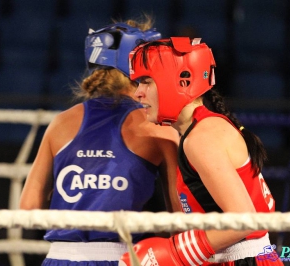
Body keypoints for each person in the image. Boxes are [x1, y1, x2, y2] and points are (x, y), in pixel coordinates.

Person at [19, 19, 181, 266]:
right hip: (121, 258)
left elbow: (28, 208)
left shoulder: (60, 123)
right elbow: (179, 222)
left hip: (58, 258)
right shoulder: (158, 129)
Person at [119, 37, 283, 265]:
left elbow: (245, 221)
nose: (138, 93)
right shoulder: (201, 129)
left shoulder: (202, 138)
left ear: (182, 82)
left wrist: (176, 253)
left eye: (146, 81)